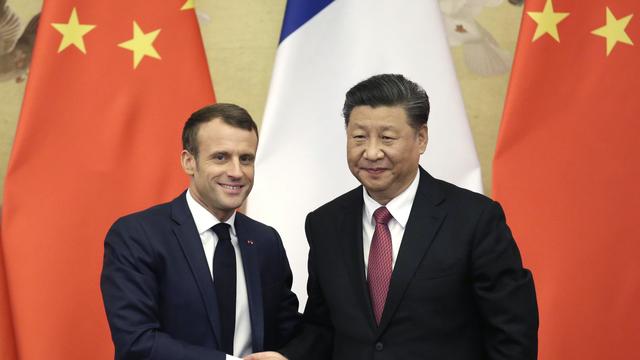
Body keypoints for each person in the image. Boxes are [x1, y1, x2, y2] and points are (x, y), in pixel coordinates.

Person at [247, 74, 538, 360]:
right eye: (359, 137)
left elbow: (512, 333)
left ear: (421, 138)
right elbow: (323, 327)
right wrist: (288, 357)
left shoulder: (474, 219)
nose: (372, 152)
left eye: (387, 138)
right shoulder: (325, 223)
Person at [101, 103, 300, 360]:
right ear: (189, 162)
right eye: (221, 157)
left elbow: (289, 330)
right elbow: (138, 342)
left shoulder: (265, 241)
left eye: (246, 159)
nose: (236, 172)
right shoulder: (136, 236)